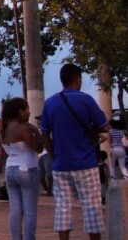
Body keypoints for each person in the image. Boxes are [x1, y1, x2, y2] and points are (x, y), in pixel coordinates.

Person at [41, 63, 110, 240]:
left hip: (61, 164)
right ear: (78, 80)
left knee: (63, 207)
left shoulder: (50, 103)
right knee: (92, 206)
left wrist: (53, 154)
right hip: (86, 163)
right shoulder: (86, 100)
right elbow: (105, 127)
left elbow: (45, 134)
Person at [1, 97, 42, 240]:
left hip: (10, 168)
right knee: (30, 210)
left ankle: (15, 238)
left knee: (15, 211)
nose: (29, 112)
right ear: (20, 111)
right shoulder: (22, 128)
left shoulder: (4, 129)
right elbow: (37, 147)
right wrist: (36, 131)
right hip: (27, 168)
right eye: (27, 109)